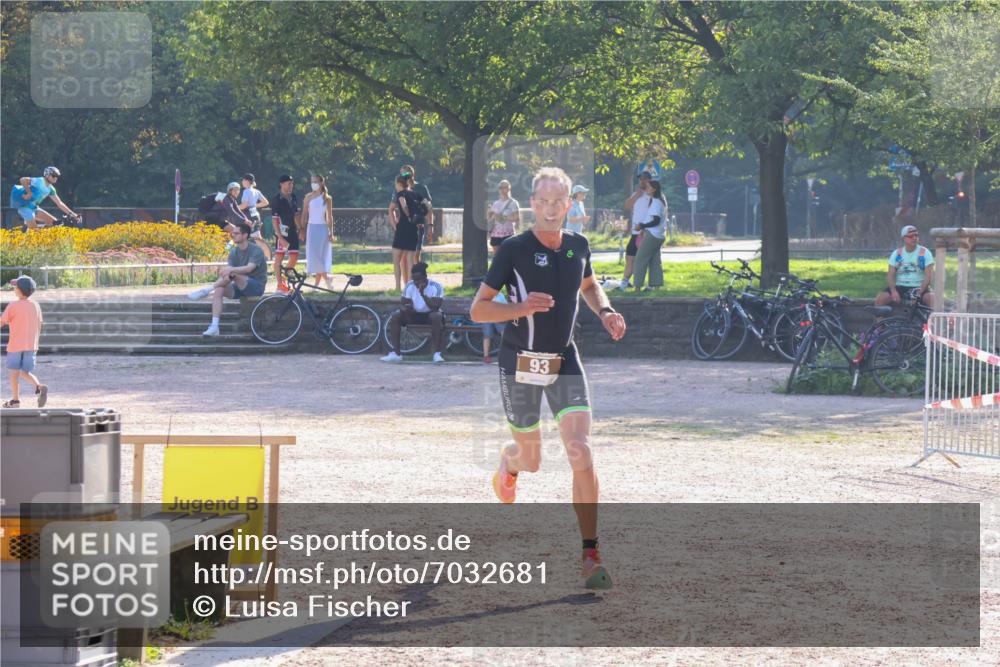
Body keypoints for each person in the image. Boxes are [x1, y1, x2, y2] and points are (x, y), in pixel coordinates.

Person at [470, 166, 627, 590]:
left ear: (569, 204)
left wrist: (607, 311)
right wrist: (520, 309)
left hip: (564, 360)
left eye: (562, 201)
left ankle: (590, 554)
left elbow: (590, 288)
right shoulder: (513, 250)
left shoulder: (579, 245)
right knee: (533, 460)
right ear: (533, 205)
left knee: (580, 450)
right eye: (546, 201)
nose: (554, 208)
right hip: (519, 362)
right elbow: (479, 310)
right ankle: (510, 462)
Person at [188, 222, 268, 336]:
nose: (232, 235)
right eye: (232, 233)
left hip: (255, 287)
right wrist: (226, 272)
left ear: (245, 235)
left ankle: (206, 290)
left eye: (236, 233)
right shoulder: (234, 251)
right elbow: (229, 274)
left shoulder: (256, 250)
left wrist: (230, 270)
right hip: (238, 286)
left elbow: (249, 268)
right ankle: (214, 326)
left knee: (233, 273)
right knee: (219, 289)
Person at [381, 261, 446, 363]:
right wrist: (406, 309)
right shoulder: (410, 285)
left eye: (418, 279)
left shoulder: (436, 286)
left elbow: (435, 307)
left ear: (425, 276)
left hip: (429, 316)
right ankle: (396, 354)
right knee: (395, 316)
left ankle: (437, 354)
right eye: (414, 279)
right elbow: (403, 303)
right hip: (414, 315)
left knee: (436, 316)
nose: (416, 282)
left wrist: (423, 294)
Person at [1, 276, 47, 408]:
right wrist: (36, 343)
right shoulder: (35, 305)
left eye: (15, 287)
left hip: (15, 345)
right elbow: (39, 324)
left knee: (14, 373)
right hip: (31, 345)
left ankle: (15, 400)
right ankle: (39, 387)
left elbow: (1, 322)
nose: (14, 289)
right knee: (25, 372)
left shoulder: (13, 306)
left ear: (20, 290)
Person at [874, 224, 935, 308]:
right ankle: (880, 321)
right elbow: (890, 275)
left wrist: (919, 293)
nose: (914, 238)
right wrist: (893, 291)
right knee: (880, 299)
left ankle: (932, 320)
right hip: (900, 286)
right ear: (904, 238)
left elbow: (929, 276)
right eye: (911, 236)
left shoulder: (925, 252)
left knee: (932, 299)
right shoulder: (897, 254)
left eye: (916, 235)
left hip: (919, 286)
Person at [9, 166, 79, 230]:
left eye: (57, 176)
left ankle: (27, 227)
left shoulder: (51, 189)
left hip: (34, 208)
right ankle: (28, 228)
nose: (56, 178)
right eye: (54, 175)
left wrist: (74, 215)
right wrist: (29, 192)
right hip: (24, 207)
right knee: (35, 231)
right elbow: (23, 180)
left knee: (55, 223)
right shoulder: (40, 181)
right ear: (47, 175)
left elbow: (60, 203)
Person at [631, 180, 668, 291]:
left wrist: (642, 226)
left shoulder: (656, 202)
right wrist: (644, 227)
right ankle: (656, 286)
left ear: (654, 189)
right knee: (655, 261)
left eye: (648, 187)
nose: (646, 189)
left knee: (639, 259)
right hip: (660, 235)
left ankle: (637, 287)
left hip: (653, 234)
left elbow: (656, 221)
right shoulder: (661, 200)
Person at [621, 170, 654, 289]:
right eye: (640, 179)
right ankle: (623, 284)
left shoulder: (653, 195)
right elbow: (627, 206)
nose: (642, 181)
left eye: (645, 178)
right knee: (629, 258)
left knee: (648, 260)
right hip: (635, 233)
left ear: (649, 180)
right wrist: (636, 196)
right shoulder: (637, 194)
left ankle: (650, 286)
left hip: (647, 233)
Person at [390, 175, 423, 290]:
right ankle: (410, 287)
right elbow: (427, 206)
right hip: (413, 229)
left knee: (396, 259)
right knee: (410, 260)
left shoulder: (401, 194)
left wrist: (408, 215)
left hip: (403, 228)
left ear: (399, 183)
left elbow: (403, 205)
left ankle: (398, 287)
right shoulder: (415, 194)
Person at [303, 174, 335, 290]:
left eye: (316, 181)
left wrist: (331, 232)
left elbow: (329, 217)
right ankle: (327, 278)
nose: (313, 184)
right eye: (312, 182)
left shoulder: (327, 198)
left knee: (320, 256)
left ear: (321, 183)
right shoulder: (308, 197)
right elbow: (304, 215)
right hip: (311, 228)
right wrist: (302, 228)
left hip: (322, 228)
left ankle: (317, 285)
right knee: (313, 256)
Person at [271, 175, 301, 293]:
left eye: (292, 183)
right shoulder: (276, 199)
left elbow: (296, 214)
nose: (291, 186)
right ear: (281, 184)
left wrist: (301, 229)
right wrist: (280, 237)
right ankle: (279, 285)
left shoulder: (293, 197)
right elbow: (274, 220)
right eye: (289, 183)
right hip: (282, 232)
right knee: (279, 257)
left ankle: (283, 280)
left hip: (293, 231)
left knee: (294, 256)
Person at [400, 165, 433, 263]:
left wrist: (430, 226)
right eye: (402, 173)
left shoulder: (421, 188)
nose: (404, 176)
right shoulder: (400, 189)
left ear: (412, 174)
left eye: (406, 173)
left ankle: (418, 277)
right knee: (404, 257)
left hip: (418, 226)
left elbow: (429, 208)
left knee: (415, 256)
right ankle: (407, 278)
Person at [239, 173, 272, 261]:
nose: (242, 182)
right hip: (256, 215)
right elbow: (265, 202)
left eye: (243, 180)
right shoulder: (256, 191)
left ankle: (266, 257)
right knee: (257, 237)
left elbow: (244, 204)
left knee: (254, 238)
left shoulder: (246, 191)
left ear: (247, 181)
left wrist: (235, 208)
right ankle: (265, 256)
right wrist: (254, 205)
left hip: (248, 216)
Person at [488, 179, 521, 253]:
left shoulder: (513, 203)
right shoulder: (495, 203)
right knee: (497, 258)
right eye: (500, 187)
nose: (502, 189)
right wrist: (489, 213)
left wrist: (502, 217)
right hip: (495, 234)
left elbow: (517, 217)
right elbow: (490, 219)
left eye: (504, 187)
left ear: (509, 189)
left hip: (508, 234)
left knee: (508, 257)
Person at [480, 291, 508, 364]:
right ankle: (486, 356)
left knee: (504, 333)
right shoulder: (485, 294)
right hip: (487, 317)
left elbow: (505, 307)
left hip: (498, 317)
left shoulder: (501, 296)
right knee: (487, 334)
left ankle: (504, 354)